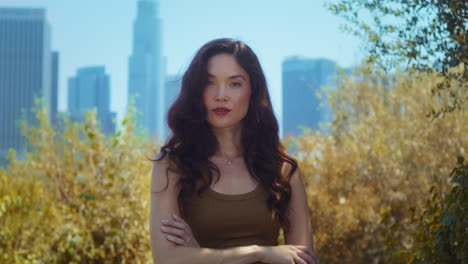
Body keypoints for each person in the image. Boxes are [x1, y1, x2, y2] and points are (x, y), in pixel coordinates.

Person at [149, 38, 318, 264]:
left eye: (235, 84)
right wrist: (259, 252)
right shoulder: (172, 165)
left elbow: (302, 260)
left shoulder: (283, 169)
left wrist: (197, 254)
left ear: (253, 90)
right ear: (196, 90)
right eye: (209, 83)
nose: (221, 95)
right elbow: (166, 258)